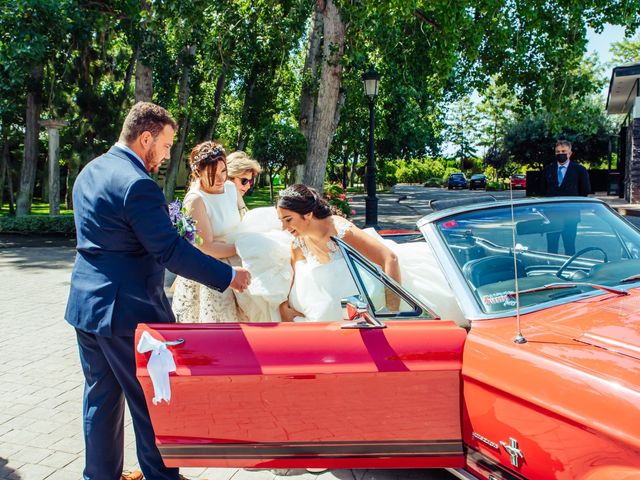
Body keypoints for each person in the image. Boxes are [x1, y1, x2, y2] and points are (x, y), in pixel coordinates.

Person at [65, 102, 251, 480]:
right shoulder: (137, 184)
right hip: (126, 312)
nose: (168, 155)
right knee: (151, 401)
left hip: (86, 307)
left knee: (99, 399)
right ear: (145, 137)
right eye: (165, 145)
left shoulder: (88, 172)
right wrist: (228, 277)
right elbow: (168, 250)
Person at [276, 184, 401, 322]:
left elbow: (389, 259)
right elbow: (290, 283)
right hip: (322, 322)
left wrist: (391, 312)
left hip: (368, 309)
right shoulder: (298, 245)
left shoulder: (341, 232)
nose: (283, 227)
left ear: (308, 214)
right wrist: (284, 307)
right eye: (281, 221)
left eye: (288, 220)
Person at [171, 142, 248, 323]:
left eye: (223, 171)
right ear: (198, 173)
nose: (221, 178)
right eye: (213, 174)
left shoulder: (230, 188)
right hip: (213, 270)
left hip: (237, 259)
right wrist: (242, 248)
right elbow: (206, 247)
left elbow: (244, 215)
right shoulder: (196, 200)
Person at [542, 139, 591, 255]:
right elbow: (543, 190)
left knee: (569, 247)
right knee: (551, 248)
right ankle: (551, 269)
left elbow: (585, 190)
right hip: (552, 216)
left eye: (563, 151)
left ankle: (569, 271)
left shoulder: (579, 170)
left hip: (571, 216)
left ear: (570, 153)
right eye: (558, 152)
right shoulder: (548, 170)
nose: (560, 154)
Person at [226, 150, 262, 218]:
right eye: (244, 181)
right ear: (229, 177)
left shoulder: (236, 203)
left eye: (250, 181)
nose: (248, 186)